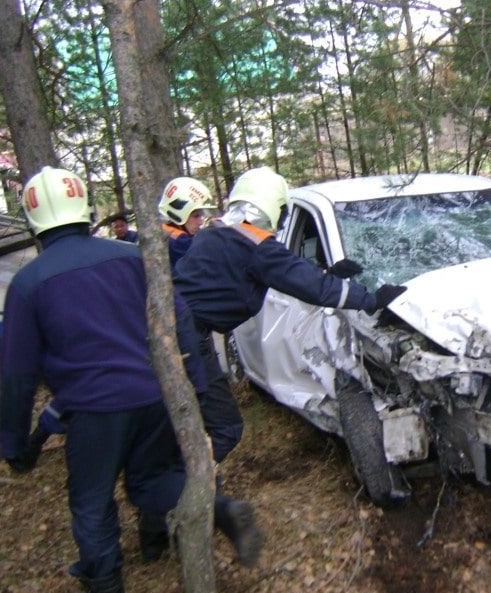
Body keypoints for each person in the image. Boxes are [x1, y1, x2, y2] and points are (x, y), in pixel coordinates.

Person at [0, 166, 264, 593]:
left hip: (93, 410)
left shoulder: (29, 282)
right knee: (151, 481)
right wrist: (194, 386)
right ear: (86, 208)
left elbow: (17, 375)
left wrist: (12, 445)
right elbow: (178, 315)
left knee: (91, 501)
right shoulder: (130, 255)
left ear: (33, 220)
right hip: (155, 394)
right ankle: (221, 510)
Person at [173, 166, 406, 465]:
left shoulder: (216, 231)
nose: (282, 218)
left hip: (175, 326)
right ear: (271, 206)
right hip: (186, 335)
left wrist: (325, 274)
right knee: (224, 427)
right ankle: (186, 489)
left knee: (189, 415)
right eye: (282, 210)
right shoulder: (256, 246)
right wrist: (370, 299)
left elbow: (283, 271)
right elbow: (299, 279)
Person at [158, 176, 216, 268]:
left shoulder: (161, 230)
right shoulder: (180, 242)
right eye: (196, 216)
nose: (200, 222)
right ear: (179, 212)